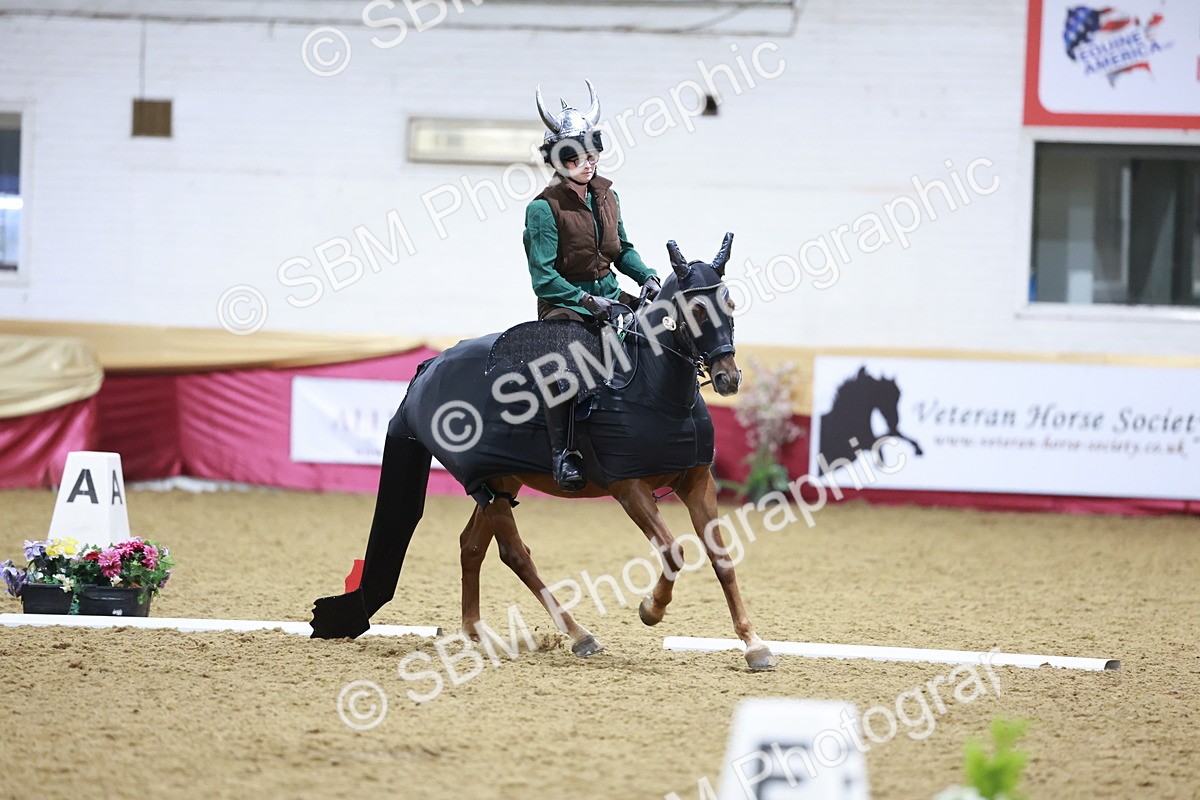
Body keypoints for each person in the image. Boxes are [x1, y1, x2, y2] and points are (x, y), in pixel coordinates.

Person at [524, 80, 661, 491]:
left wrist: (648, 276)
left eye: (591, 155)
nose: (588, 163)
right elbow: (543, 277)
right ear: (559, 161)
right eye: (577, 158)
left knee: (666, 332)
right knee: (566, 366)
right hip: (565, 304)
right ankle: (564, 454)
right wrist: (585, 300)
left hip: (610, 295)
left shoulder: (607, 196)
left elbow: (622, 250)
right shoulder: (543, 209)